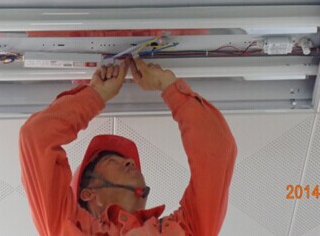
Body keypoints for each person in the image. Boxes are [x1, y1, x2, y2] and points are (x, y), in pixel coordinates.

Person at [19, 57, 237, 235]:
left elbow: (37, 138)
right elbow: (216, 151)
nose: (131, 161)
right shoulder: (185, 231)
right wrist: (168, 85)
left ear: (88, 193)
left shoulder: (65, 230)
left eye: (110, 161)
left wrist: (96, 94)